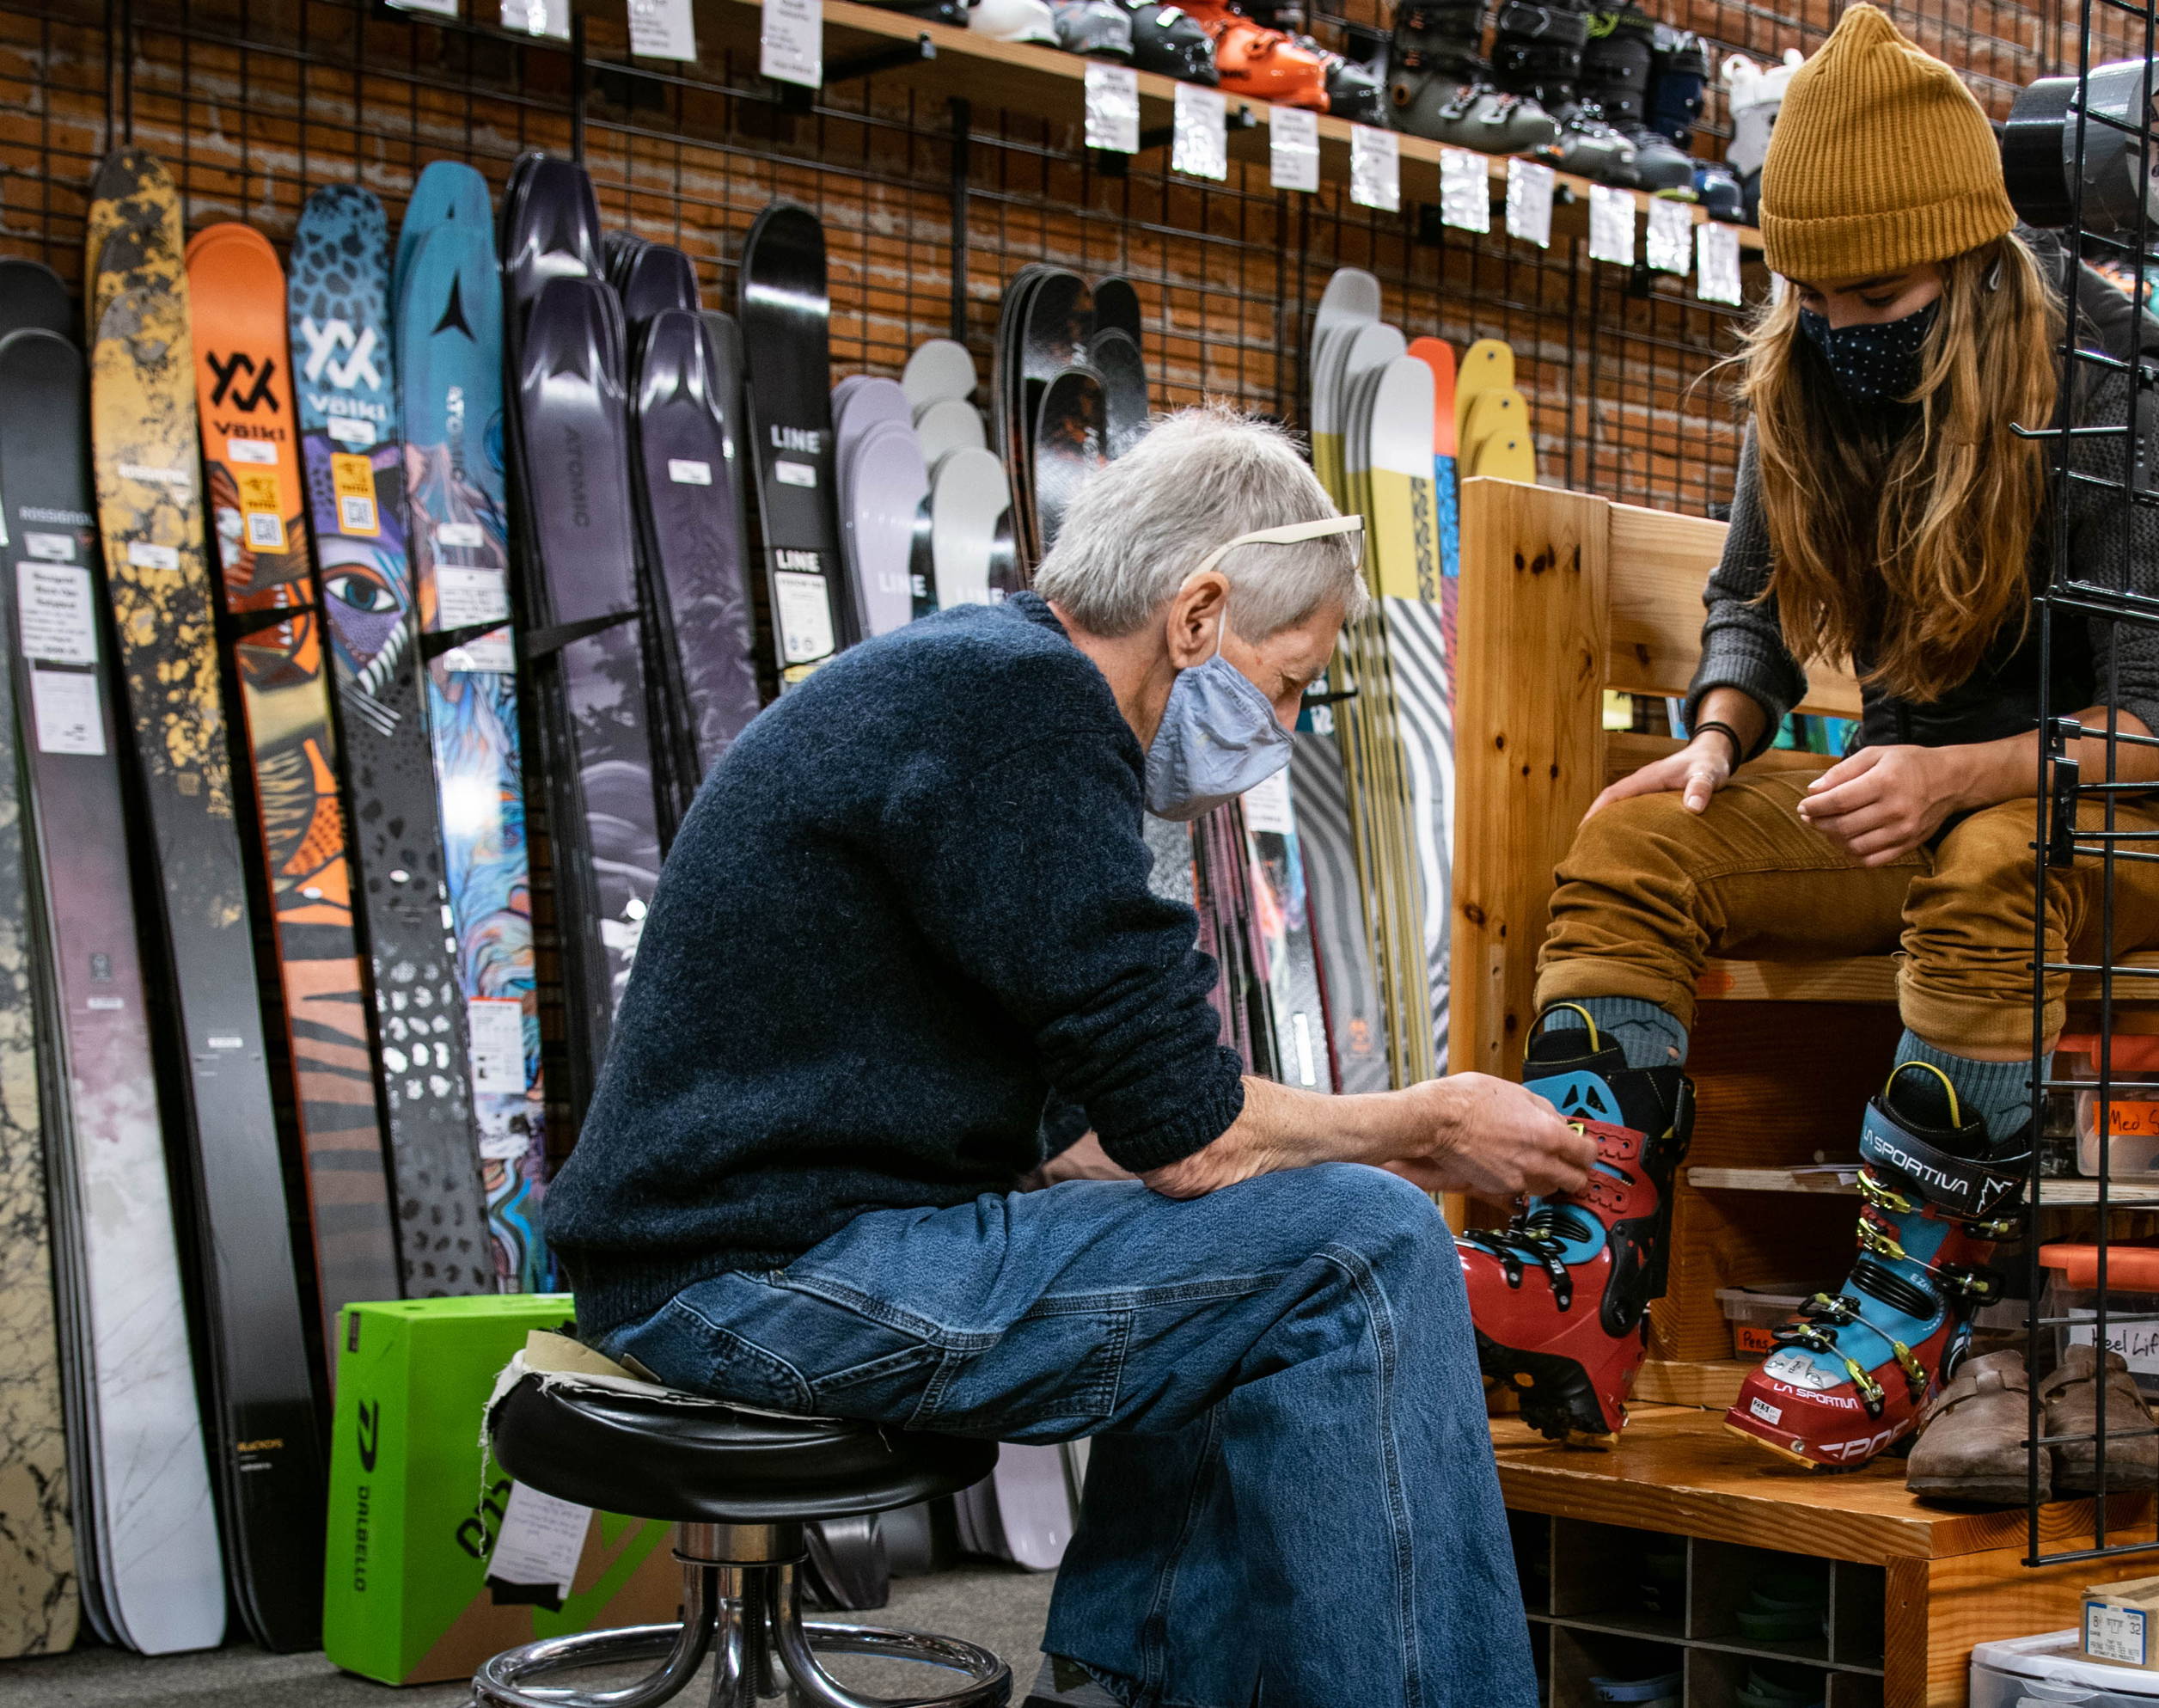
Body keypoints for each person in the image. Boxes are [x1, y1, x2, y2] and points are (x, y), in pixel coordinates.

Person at [542, 407, 1588, 1708]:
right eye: (1292, 680)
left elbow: (1108, 1138)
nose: (1288, 721)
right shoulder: (1028, 711)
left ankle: (1124, 1685)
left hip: (739, 1253)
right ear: (1198, 617)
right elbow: (1192, 1135)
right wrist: (1428, 1123)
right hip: (748, 1281)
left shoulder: (983, 682)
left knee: (1270, 1238)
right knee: (1364, 1245)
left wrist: (1264, 1150)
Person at [1463, 4, 2159, 1476]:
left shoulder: (2120, 389)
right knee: (1637, 836)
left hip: (2133, 824)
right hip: (1918, 809)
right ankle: (1582, 1267)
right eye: (1812, 298)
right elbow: (1747, 595)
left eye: (1878, 298)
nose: (1843, 331)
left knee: (1999, 854)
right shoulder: (1808, 367)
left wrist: (1959, 770)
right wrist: (1718, 731)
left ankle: (1910, 1302)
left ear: (1976, 261)